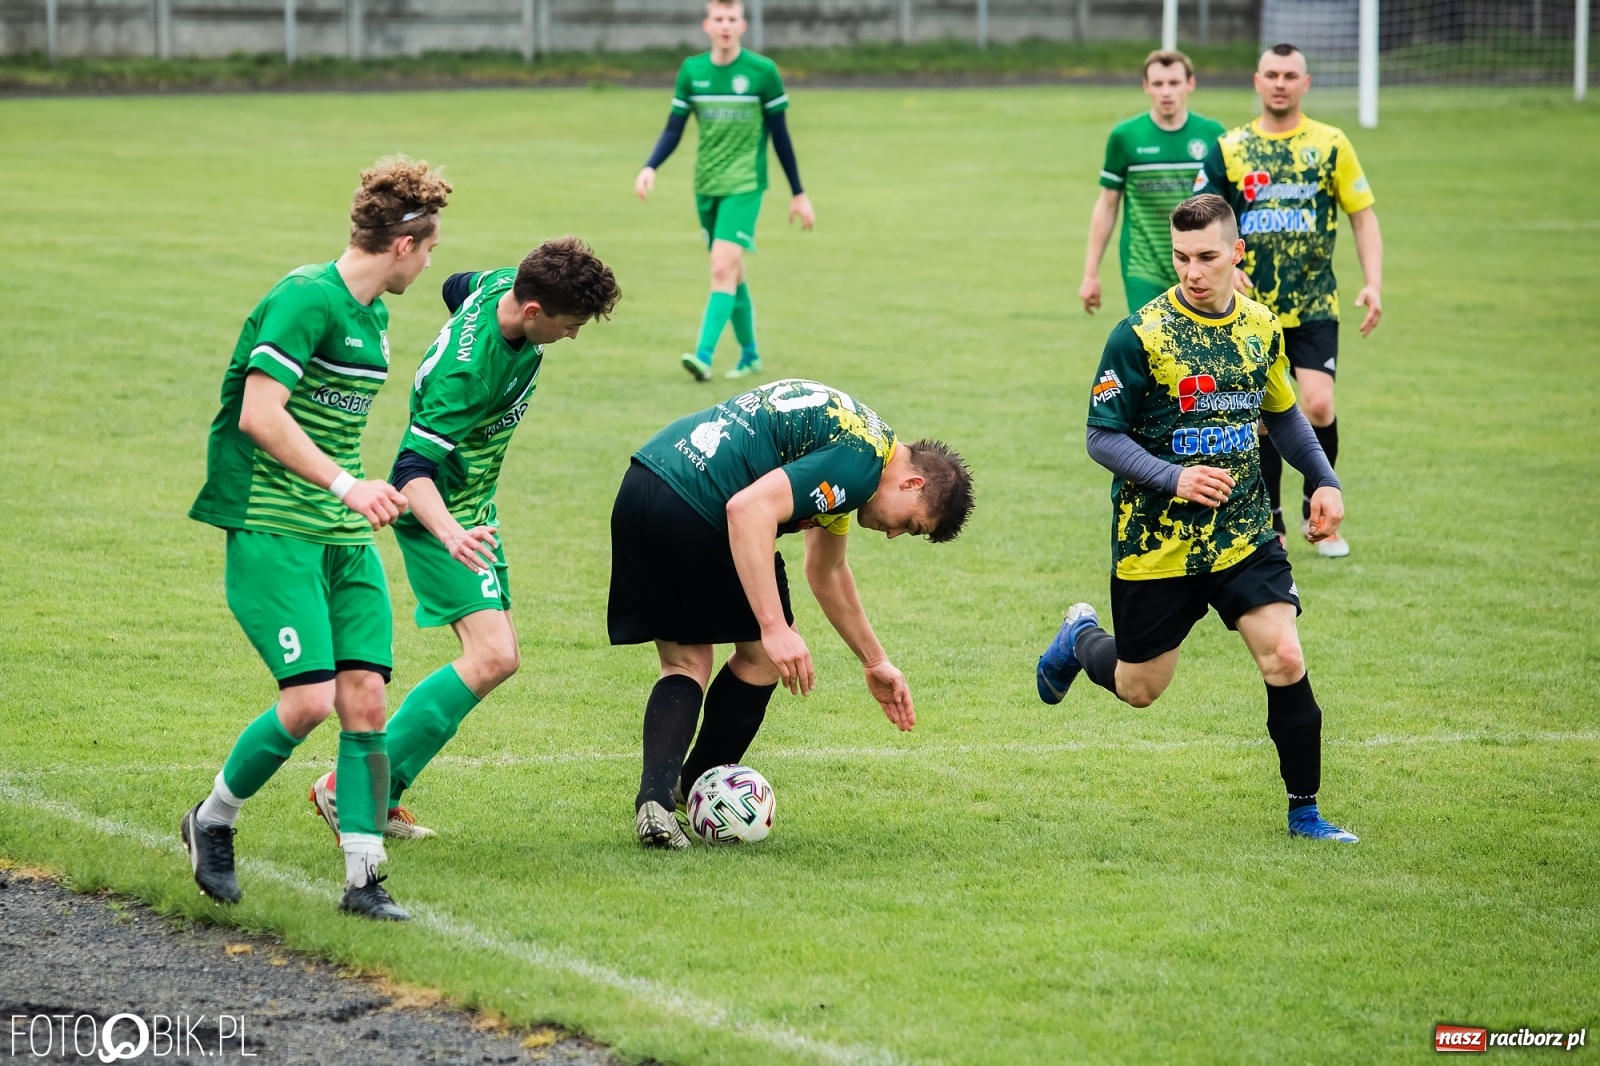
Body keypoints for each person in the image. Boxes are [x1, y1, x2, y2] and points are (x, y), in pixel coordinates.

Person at [1036, 194, 1359, 844]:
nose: (1192, 271)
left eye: (1207, 257)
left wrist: (1323, 478)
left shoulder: (1261, 326)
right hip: (1157, 542)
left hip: (1244, 534)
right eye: (1182, 257)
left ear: (1236, 253)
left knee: (1284, 655)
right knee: (1139, 688)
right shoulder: (1139, 335)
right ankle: (1080, 637)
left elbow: (1282, 415)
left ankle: (1305, 813)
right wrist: (1174, 477)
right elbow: (1102, 437)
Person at [182, 157, 452, 921]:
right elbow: (259, 414)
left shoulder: (375, 319)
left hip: (344, 536)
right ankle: (212, 820)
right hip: (274, 527)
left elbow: (328, 427)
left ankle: (364, 879)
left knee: (366, 699)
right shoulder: (306, 297)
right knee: (306, 702)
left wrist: (368, 495)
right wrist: (346, 485)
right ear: (403, 246)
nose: (430, 264)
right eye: (429, 249)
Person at [306, 239, 621, 839]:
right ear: (533, 311)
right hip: (442, 517)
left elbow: (457, 285)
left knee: (500, 657)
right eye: (570, 325)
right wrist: (450, 533)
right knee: (493, 656)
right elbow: (409, 471)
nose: (574, 336)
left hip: (474, 509)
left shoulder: (503, 283)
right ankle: (350, 788)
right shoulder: (467, 376)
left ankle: (378, 793)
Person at [609, 379, 973, 847]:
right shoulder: (861, 462)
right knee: (765, 656)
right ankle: (695, 788)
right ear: (912, 483)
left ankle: (656, 804)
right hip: (700, 506)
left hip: (644, 482)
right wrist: (773, 627)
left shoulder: (861, 443)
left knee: (684, 662)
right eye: (911, 524)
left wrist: (874, 660)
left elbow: (828, 571)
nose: (893, 534)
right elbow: (747, 510)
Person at [1194, 42, 1384, 558]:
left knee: (1318, 404)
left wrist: (1373, 281)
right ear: (1257, 81)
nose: (1280, 83)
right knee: (1261, 415)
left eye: (1290, 75)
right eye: (1272, 74)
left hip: (1315, 301)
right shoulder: (1229, 147)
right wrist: (1227, 269)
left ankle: (1317, 509)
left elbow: (1362, 215)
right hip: (1250, 310)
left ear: (1306, 83)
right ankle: (1271, 521)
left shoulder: (1331, 143)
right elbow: (1201, 214)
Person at [634, 0, 814, 383]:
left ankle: (703, 356)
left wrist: (798, 193)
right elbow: (674, 128)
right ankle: (750, 354)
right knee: (733, 270)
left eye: (732, 19)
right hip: (706, 186)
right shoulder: (692, 71)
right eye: (719, 19)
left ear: (743, 25)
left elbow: (781, 136)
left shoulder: (763, 72)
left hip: (745, 185)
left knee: (720, 267)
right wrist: (650, 166)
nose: (726, 25)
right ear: (707, 25)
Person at [1081, 49, 1226, 316]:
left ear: (1190, 83)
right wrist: (1091, 274)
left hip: (1199, 264)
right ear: (1146, 86)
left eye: (1174, 83)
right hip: (1143, 267)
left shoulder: (1213, 134)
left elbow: (1227, 206)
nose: (1166, 92)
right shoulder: (1125, 136)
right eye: (1158, 84)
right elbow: (1107, 205)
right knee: (1152, 340)